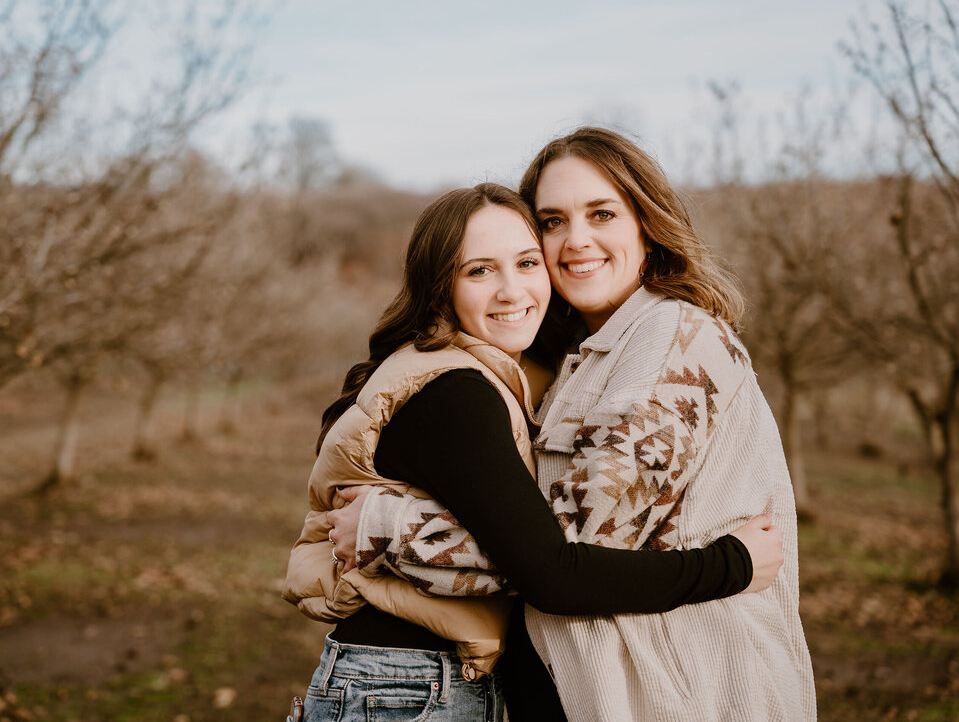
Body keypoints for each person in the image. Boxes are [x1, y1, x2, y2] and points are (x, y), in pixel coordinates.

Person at [333, 128, 818, 721]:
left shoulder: (672, 343)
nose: (576, 240)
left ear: (646, 223)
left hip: (682, 692)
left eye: (602, 213)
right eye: (554, 221)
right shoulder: (575, 360)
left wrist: (392, 527)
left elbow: (565, 560)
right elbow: (541, 546)